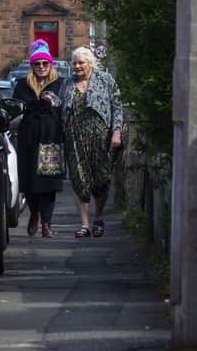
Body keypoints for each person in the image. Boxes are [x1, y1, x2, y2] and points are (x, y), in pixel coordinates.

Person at [60, 46, 123, 238]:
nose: (77, 66)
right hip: (74, 137)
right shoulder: (68, 83)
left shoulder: (105, 79)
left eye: (81, 62)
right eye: (75, 63)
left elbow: (117, 106)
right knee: (79, 179)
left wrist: (116, 132)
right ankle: (85, 224)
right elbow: (61, 108)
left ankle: (99, 217)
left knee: (102, 179)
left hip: (101, 137)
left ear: (90, 63)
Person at [13, 39, 65, 238]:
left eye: (45, 63)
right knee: (30, 183)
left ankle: (46, 224)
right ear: (32, 65)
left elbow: (62, 108)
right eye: (37, 64)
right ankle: (34, 213)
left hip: (51, 139)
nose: (41, 67)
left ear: (50, 64)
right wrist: (38, 103)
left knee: (48, 182)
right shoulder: (22, 85)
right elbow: (19, 107)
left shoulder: (59, 83)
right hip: (29, 138)